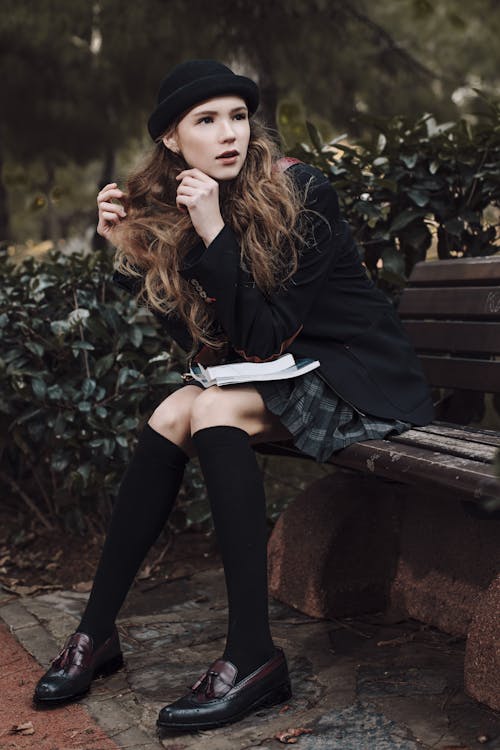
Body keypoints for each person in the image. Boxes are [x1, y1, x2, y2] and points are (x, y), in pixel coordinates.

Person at [33, 59, 434, 732]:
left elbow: (264, 339)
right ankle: (95, 633)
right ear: (170, 139)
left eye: (239, 116)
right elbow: (207, 346)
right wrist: (131, 247)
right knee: (172, 410)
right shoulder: (188, 204)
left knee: (212, 408)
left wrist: (215, 230)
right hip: (288, 370)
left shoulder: (303, 190)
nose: (230, 134)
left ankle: (253, 655)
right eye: (207, 120)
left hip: (359, 376)